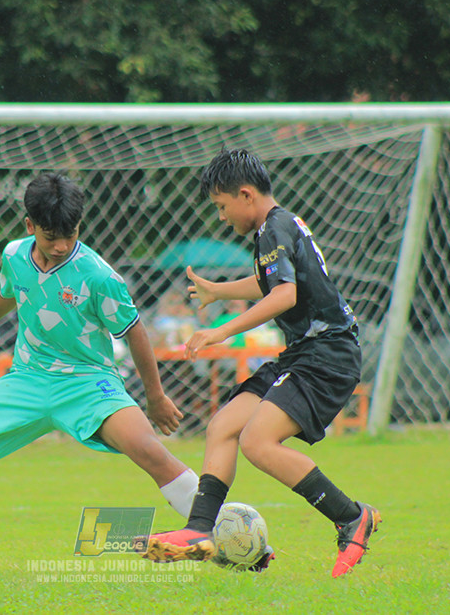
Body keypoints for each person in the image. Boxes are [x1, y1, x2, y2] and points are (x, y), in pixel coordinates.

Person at [0, 172, 198, 580]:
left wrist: (155, 396)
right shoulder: (15, 255)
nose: (59, 245)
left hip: (88, 383)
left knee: (149, 451)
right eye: (50, 235)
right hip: (28, 378)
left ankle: (222, 532)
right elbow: (8, 290)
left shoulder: (99, 276)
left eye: (68, 235)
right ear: (29, 226)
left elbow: (136, 331)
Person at [139, 147, 381, 577]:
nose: (221, 216)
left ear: (246, 195)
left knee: (256, 442)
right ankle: (199, 529)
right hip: (306, 352)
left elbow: (283, 295)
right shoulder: (278, 226)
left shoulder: (274, 228)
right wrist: (218, 290)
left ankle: (351, 517)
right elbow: (273, 281)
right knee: (223, 425)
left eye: (221, 206)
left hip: (328, 355)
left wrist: (220, 330)